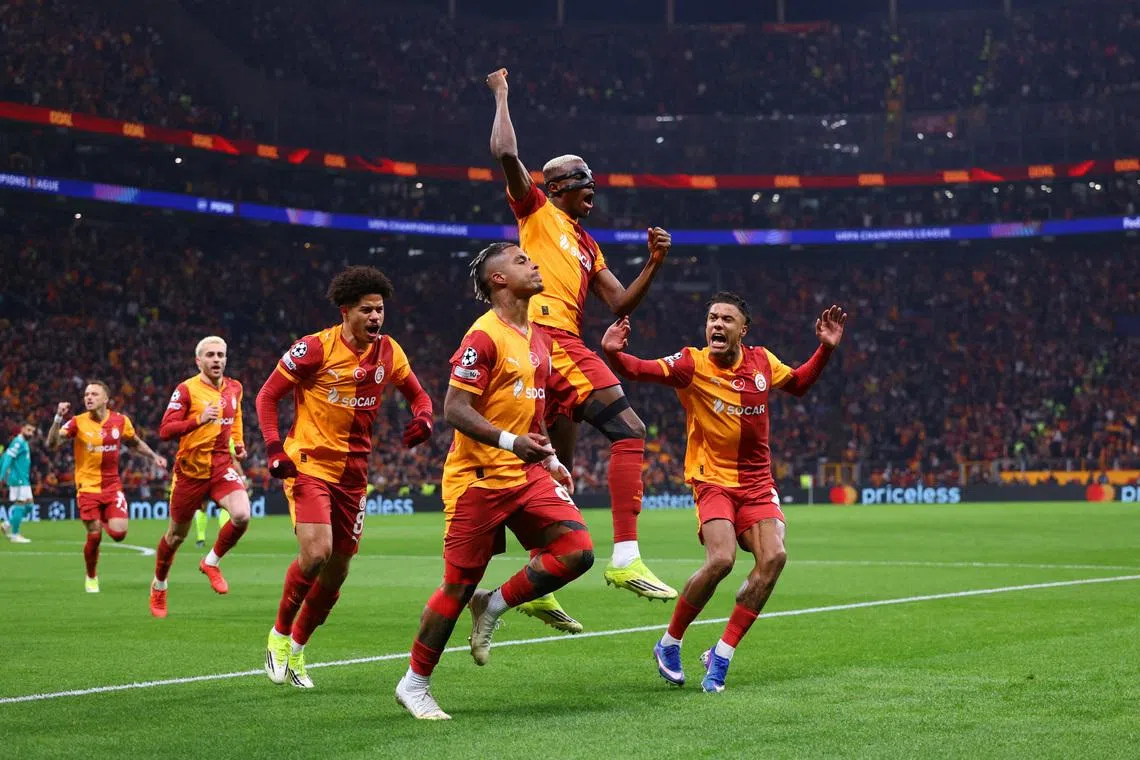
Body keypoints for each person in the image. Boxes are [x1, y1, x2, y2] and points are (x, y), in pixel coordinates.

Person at [486, 68, 676, 628]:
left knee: (558, 468)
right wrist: (502, 94)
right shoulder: (536, 212)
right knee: (630, 430)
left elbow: (620, 302)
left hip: (550, 347)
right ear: (556, 186)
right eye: (582, 178)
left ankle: (539, 581)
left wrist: (654, 264)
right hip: (550, 336)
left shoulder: (589, 246)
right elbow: (505, 152)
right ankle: (625, 556)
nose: (592, 186)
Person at [600, 293, 847, 692]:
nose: (717, 324)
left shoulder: (762, 361)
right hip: (712, 479)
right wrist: (613, 353)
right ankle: (670, 643)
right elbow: (637, 369)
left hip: (757, 483)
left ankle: (722, 653)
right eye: (712, 318)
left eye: (727, 319)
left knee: (775, 557)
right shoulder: (690, 363)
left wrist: (825, 348)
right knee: (721, 559)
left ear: (742, 330)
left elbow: (799, 384)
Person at [395, 242, 593, 721]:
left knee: (577, 551)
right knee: (457, 586)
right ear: (498, 279)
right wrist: (510, 442)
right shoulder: (483, 336)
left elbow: (533, 414)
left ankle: (495, 604)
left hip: (524, 472)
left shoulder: (539, 339)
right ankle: (414, 684)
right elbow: (454, 408)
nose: (534, 263)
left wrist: (549, 459)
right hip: (477, 479)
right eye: (522, 260)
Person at [257, 265, 433, 689]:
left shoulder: (389, 351)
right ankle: (278, 635)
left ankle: (298, 648)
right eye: (366, 310)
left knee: (337, 572)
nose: (376, 317)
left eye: (380, 310)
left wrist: (424, 418)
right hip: (310, 464)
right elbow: (267, 396)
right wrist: (274, 448)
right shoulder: (314, 349)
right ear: (346, 312)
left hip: (354, 475)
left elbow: (419, 395)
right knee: (317, 553)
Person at [151, 336, 251, 617]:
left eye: (220, 355)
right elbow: (165, 430)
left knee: (242, 515)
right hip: (190, 472)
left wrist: (238, 444)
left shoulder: (235, 388)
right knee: (175, 536)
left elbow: (236, 418)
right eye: (210, 355)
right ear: (199, 361)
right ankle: (159, 585)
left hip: (220, 467)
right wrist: (199, 419)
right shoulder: (186, 390)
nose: (216, 359)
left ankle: (211, 562)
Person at [45, 383, 167, 592]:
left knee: (119, 534)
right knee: (94, 535)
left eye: (94, 394)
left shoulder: (120, 421)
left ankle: (101, 518)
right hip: (87, 488)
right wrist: (58, 418)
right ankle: (91, 576)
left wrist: (154, 456)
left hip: (112, 487)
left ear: (105, 399)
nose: (89, 397)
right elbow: (52, 444)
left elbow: (135, 442)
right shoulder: (77, 422)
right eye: (86, 394)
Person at [0, 422, 37, 543]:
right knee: (20, 504)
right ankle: (15, 535)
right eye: (28, 430)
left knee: (29, 506)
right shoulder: (18, 442)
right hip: (18, 479)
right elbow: (7, 458)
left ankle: (7, 524)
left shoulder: (24, 442)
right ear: (22, 429)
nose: (30, 433)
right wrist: (1, 476)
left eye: (32, 431)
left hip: (24, 479)